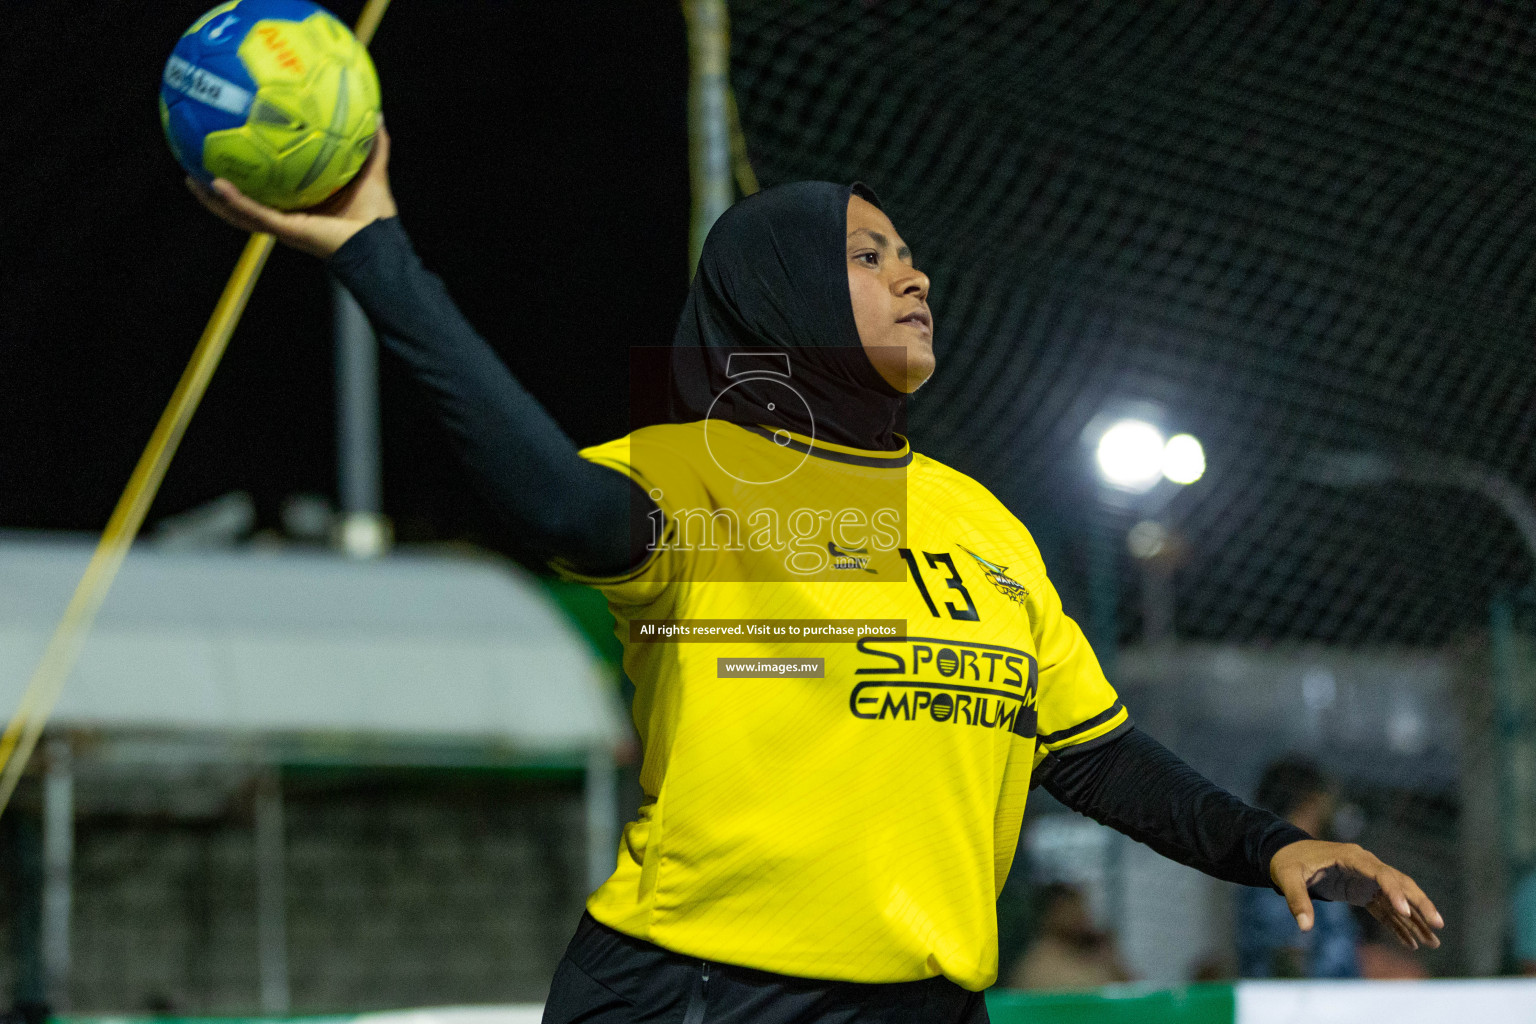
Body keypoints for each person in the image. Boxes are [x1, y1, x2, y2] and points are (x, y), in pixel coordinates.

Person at [188, 125, 1444, 1024]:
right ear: (774, 295)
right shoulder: (703, 471)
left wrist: (1268, 843)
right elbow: (558, 503)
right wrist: (374, 253)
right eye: (867, 255)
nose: (916, 273)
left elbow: (1088, 748)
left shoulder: (983, 523)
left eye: (909, 252)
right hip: (699, 991)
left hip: (925, 1004)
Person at [1236, 757, 1361, 978]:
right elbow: (1287, 957)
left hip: (1330, 1000)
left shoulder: (1314, 864)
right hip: (1301, 1005)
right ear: (1308, 804)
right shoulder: (1274, 869)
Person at [1005, 883, 1131, 991]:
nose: (1081, 915)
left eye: (1081, 907)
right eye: (1070, 909)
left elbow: (1131, 991)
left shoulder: (1094, 955)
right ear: (1050, 914)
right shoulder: (1040, 963)